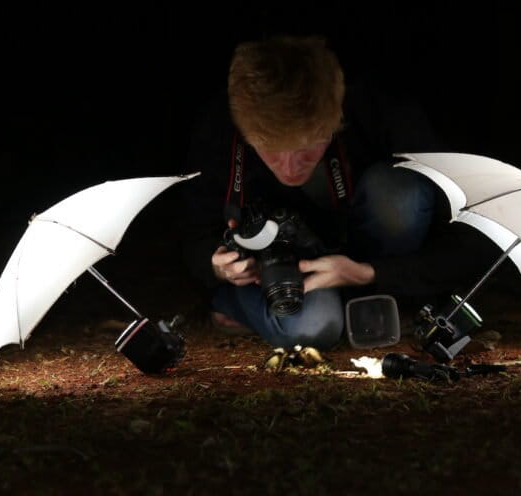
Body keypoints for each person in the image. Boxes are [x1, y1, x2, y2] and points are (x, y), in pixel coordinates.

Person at [181, 36, 495, 350]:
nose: (290, 167)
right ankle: (235, 303)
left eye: (307, 148)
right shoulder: (220, 129)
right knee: (312, 328)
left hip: (370, 256)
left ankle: (379, 299)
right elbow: (194, 234)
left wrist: (372, 273)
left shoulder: (379, 110)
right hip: (289, 273)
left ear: (335, 123)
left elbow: (468, 242)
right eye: (271, 150)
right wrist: (218, 266)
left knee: (399, 194)